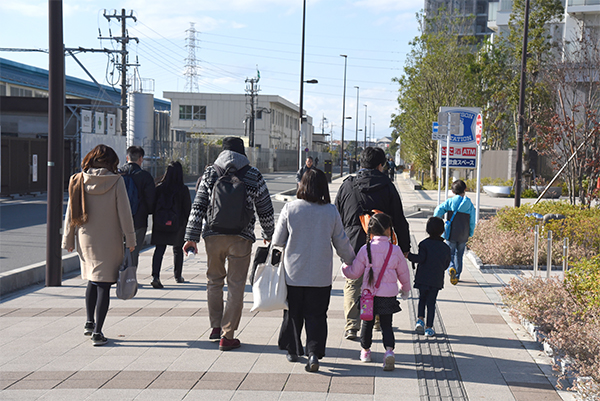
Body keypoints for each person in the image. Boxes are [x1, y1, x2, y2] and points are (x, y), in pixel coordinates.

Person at [183, 137, 275, 351]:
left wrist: (191, 237)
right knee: (236, 287)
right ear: (243, 153)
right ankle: (227, 335)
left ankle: (215, 327)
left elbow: (198, 205)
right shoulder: (253, 174)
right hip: (241, 238)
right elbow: (265, 208)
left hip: (213, 237)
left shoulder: (210, 172)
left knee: (214, 281)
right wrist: (269, 234)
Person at [273, 169, 355, 372]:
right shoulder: (330, 211)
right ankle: (313, 353)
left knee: (293, 313)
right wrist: (352, 261)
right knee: (317, 315)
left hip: (293, 273)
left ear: (302, 185)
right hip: (320, 275)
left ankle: (293, 349)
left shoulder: (290, 208)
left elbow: (277, 241)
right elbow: (341, 242)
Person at [62, 144, 136, 346]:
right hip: (110, 240)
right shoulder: (116, 181)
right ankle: (98, 332)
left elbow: (70, 213)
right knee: (104, 284)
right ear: (111, 162)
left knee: (93, 280)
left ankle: (89, 322)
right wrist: (131, 239)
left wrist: (68, 239)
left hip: (86, 238)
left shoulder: (78, 179)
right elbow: (124, 213)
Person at [335, 146, 411, 340]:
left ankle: (352, 325)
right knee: (380, 280)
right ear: (380, 165)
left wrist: (337, 242)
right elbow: (400, 219)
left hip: (352, 243)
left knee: (353, 282)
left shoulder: (347, 185)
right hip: (382, 245)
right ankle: (377, 319)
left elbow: (336, 215)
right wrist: (405, 247)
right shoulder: (387, 186)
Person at [342, 213, 411, 371]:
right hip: (388, 296)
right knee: (387, 325)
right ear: (389, 230)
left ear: (370, 231)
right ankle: (389, 351)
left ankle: (366, 351)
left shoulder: (365, 249)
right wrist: (405, 290)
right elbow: (404, 273)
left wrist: (345, 268)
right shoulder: (396, 250)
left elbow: (355, 273)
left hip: (369, 296)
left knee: (367, 323)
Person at [407, 217, 451, 337]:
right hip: (436, 279)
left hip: (423, 277)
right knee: (431, 303)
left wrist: (409, 255)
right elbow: (446, 264)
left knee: (422, 299)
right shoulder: (446, 248)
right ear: (442, 231)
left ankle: (420, 320)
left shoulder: (424, 244)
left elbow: (420, 259)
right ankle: (429, 328)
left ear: (427, 230)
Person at [150, 161, 192, 288]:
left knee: (159, 249)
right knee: (178, 249)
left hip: (160, 223)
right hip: (177, 223)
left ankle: (155, 276)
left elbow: (152, 206)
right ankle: (178, 276)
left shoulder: (159, 188)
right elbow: (187, 208)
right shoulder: (183, 189)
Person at [118, 146, 156, 267]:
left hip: (118, 219)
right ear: (141, 158)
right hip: (139, 219)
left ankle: (118, 275)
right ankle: (129, 278)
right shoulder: (145, 176)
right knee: (134, 250)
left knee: (118, 250)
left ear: (127, 157)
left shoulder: (118, 174)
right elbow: (151, 200)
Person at [433, 179, 476, 284]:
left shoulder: (451, 201)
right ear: (465, 190)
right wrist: (470, 232)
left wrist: (437, 220)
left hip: (451, 232)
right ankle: (457, 275)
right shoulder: (469, 204)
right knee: (459, 254)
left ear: (453, 191)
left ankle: (451, 268)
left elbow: (438, 210)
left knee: (450, 253)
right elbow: (472, 221)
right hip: (463, 233)